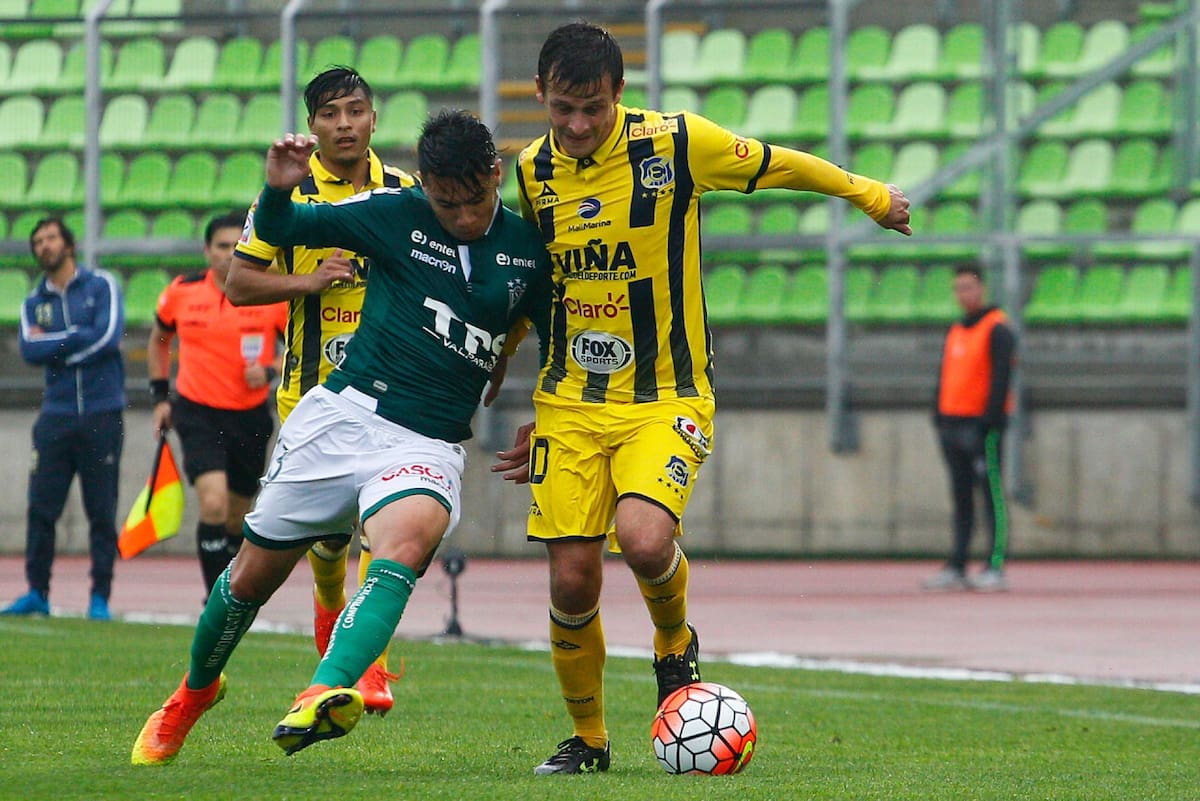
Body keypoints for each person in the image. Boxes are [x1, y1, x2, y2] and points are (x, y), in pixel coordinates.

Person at [493, 21, 912, 775]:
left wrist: (868, 194)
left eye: (592, 107)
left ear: (620, 93)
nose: (578, 125)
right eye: (563, 109)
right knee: (571, 575)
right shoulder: (528, 172)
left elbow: (781, 165)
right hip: (571, 403)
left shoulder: (677, 144)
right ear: (540, 98)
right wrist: (502, 363)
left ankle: (674, 644)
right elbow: (535, 285)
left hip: (667, 391)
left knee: (647, 539)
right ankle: (589, 740)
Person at [130, 109, 553, 766]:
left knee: (406, 545)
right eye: (447, 203)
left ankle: (324, 689)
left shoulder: (529, 250)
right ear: (428, 190)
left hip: (429, 440)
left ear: (495, 174)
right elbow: (283, 229)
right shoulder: (394, 212)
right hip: (342, 417)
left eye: (474, 199)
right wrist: (277, 189)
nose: (463, 215)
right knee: (249, 578)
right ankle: (193, 693)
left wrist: (545, 415)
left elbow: (559, 345)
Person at [224, 66, 416, 714]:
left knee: (381, 524)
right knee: (330, 543)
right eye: (330, 114)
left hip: (394, 393)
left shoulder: (406, 191)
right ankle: (329, 610)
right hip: (313, 394)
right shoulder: (290, 196)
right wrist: (309, 282)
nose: (344, 125)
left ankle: (372, 669)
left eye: (355, 111)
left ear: (373, 117)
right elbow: (238, 284)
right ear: (312, 125)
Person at [147, 212, 288, 601]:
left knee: (237, 516)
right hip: (197, 411)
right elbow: (159, 340)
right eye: (222, 246)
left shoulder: (267, 294)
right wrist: (160, 397)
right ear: (208, 251)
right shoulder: (181, 291)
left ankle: (230, 585)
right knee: (213, 502)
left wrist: (271, 368)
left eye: (236, 246)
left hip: (250, 416)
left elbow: (297, 347)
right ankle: (216, 600)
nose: (229, 254)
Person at [3, 218, 125, 621]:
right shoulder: (31, 302)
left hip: (101, 413)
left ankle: (100, 598)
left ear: (68, 244)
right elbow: (28, 349)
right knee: (42, 508)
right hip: (54, 416)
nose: (44, 245)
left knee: (101, 510)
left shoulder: (102, 285)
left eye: (51, 237)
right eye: (37, 241)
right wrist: (78, 336)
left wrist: (56, 342)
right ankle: (37, 590)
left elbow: (107, 335)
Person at [922, 266, 1016, 593]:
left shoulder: (997, 328)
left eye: (969, 287)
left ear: (982, 288)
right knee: (961, 497)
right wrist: (938, 412)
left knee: (990, 494)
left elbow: (1002, 378)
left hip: (980, 426)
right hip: (952, 423)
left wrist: (988, 421)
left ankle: (995, 563)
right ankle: (958, 563)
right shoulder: (956, 330)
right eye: (958, 288)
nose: (964, 294)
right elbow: (946, 375)